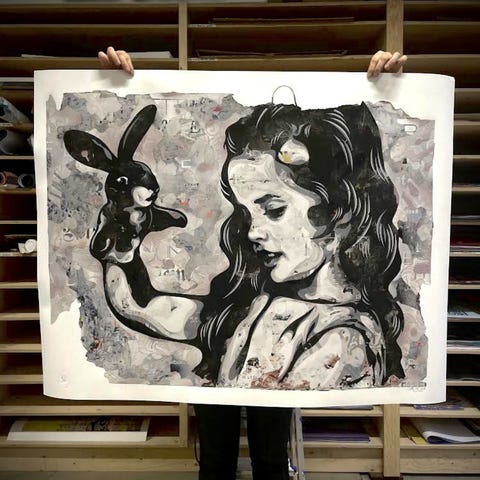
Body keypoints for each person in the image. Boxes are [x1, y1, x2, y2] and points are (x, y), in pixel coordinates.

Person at [94, 47, 408, 480]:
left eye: (273, 209)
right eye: (247, 214)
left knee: (269, 462)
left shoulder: (342, 335)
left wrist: (386, 83)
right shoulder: (259, 303)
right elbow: (146, 309)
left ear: (339, 209)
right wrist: (120, 252)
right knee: (216, 462)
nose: (252, 232)